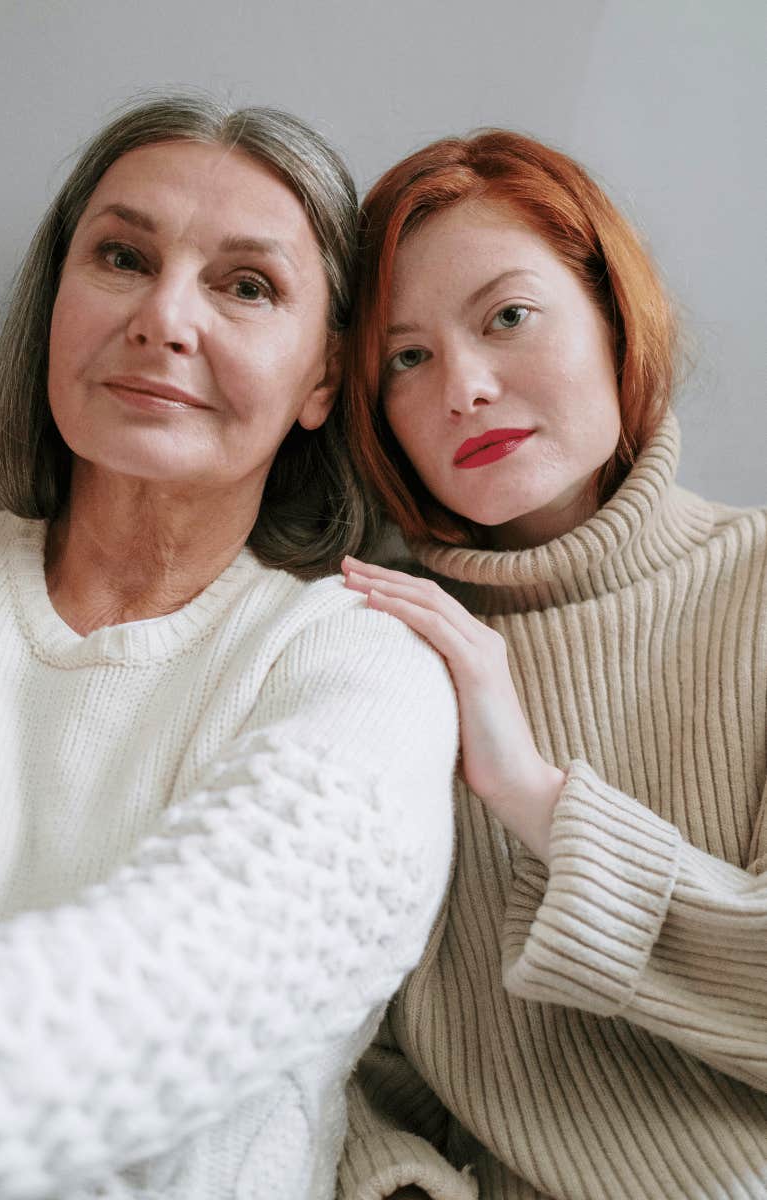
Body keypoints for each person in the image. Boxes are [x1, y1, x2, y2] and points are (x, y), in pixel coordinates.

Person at [0, 96, 459, 1200]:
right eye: (122, 256)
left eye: (246, 285)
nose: (163, 318)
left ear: (322, 378)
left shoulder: (365, 670)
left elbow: (176, 988)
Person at [338, 129, 767, 1200]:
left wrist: (531, 796)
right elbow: (336, 1048)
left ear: (617, 313)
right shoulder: (368, 642)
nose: (464, 387)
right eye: (406, 357)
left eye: (508, 317)